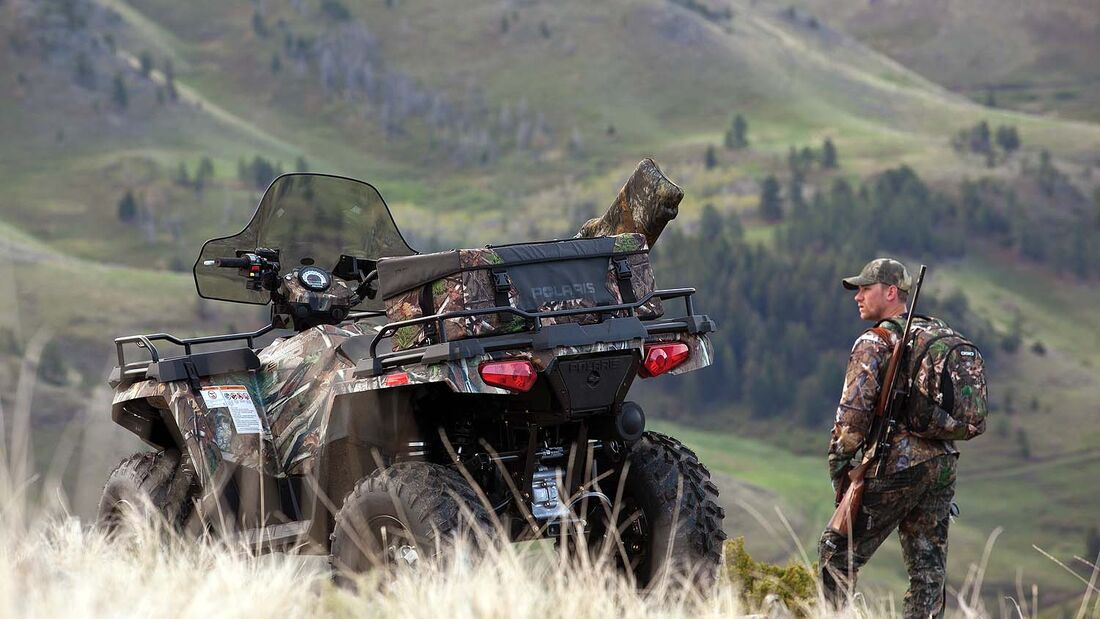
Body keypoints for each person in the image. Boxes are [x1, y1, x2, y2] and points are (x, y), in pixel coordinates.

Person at [818, 258, 959, 619]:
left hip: (895, 464)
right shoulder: (935, 333)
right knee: (928, 571)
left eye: (865, 288)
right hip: (942, 464)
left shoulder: (874, 341)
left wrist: (841, 471)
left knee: (836, 552)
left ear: (891, 291)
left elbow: (852, 418)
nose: (857, 296)